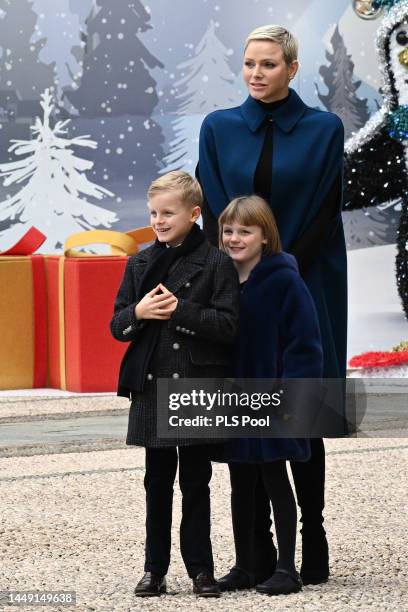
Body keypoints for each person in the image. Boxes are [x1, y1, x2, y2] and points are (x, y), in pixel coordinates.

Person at [197, 24, 347, 587]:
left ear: (291, 67)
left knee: (301, 411)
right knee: (244, 414)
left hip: (305, 282)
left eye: (268, 65)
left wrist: (279, 270)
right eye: (249, 64)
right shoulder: (218, 128)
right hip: (235, 286)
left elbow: (326, 209)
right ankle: (255, 554)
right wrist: (232, 275)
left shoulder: (324, 129)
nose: (256, 74)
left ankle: (314, 537)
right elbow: (214, 203)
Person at [110, 171, 239, 598]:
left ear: (194, 213)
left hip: (195, 384)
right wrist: (140, 313)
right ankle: (154, 569)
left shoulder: (218, 262)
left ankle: (201, 570)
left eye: (168, 212)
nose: (159, 221)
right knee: (157, 481)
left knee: (196, 482)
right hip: (152, 383)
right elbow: (117, 324)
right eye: (153, 213)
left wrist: (180, 310)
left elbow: (227, 326)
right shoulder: (139, 263)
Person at [213, 195, 323, 595]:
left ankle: (286, 568)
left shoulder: (285, 281)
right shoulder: (221, 280)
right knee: (240, 482)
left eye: (245, 231)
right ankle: (246, 564)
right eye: (229, 230)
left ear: (264, 236)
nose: (235, 238)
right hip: (235, 399)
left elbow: (305, 345)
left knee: (276, 478)